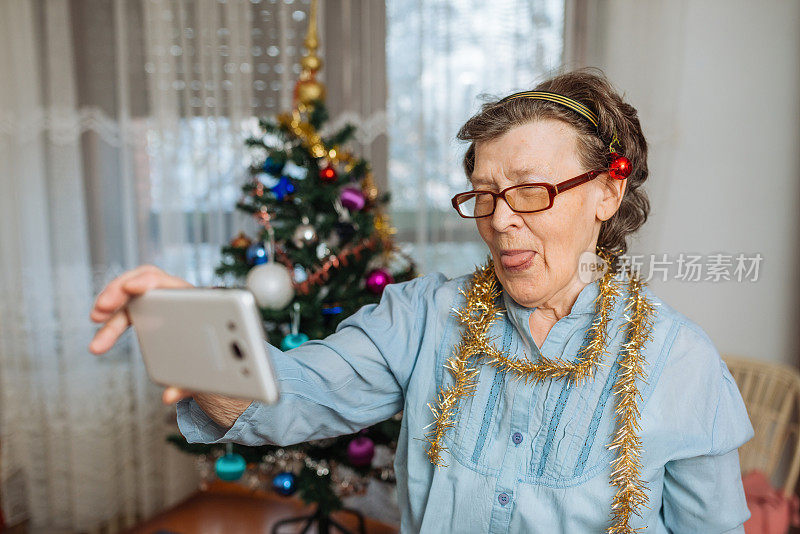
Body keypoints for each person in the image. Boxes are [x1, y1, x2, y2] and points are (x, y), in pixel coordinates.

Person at [89, 68, 753, 533]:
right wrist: (194, 331)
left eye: (529, 190)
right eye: (484, 195)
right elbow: (284, 399)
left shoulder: (681, 363)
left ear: (607, 193)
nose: (499, 219)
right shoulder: (421, 316)